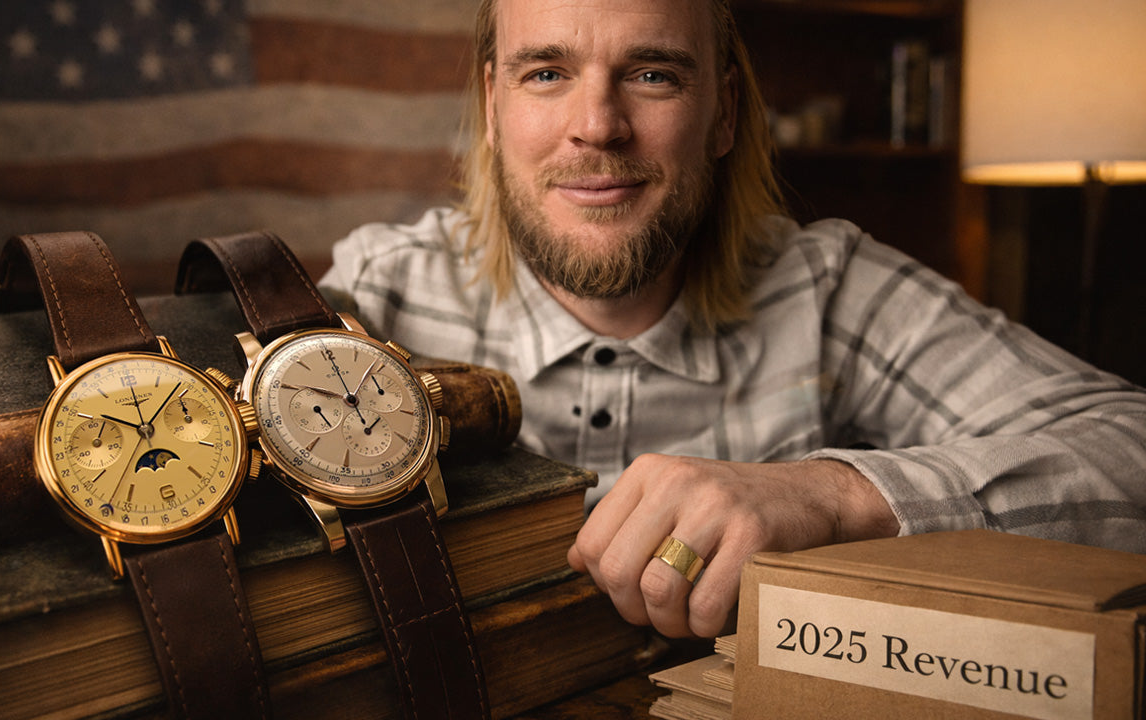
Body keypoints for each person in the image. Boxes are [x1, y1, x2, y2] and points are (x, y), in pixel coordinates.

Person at [318, 0, 1146, 639]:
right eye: (546, 73)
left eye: (653, 74)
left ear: (723, 112)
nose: (598, 125)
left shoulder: (826, 287)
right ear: (492, 109)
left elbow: (1127, 446)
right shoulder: (379, 293)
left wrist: (834, 495)